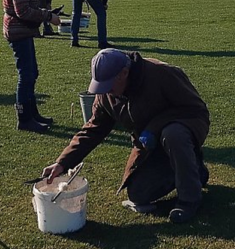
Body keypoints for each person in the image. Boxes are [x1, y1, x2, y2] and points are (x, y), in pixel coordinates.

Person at [40, 48, 210, 224]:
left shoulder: (162, 74)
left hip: (186, 126)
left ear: (124, 73)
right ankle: (195, 170)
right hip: (147, 144)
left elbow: (194, 108)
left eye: (109, 85)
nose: (106, 91)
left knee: (173, 134)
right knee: (138, 194)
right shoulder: (106, 94)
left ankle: (189, 200)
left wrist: (154, 127)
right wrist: (62, 163)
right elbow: (93, 129)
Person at [3, 0, 61, 133]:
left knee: (31, 73)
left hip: (23, 30)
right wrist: (48, 16)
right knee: (26, 75)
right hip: (18, 30)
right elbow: (23, 11)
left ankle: (32, 113)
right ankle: (24, 118)